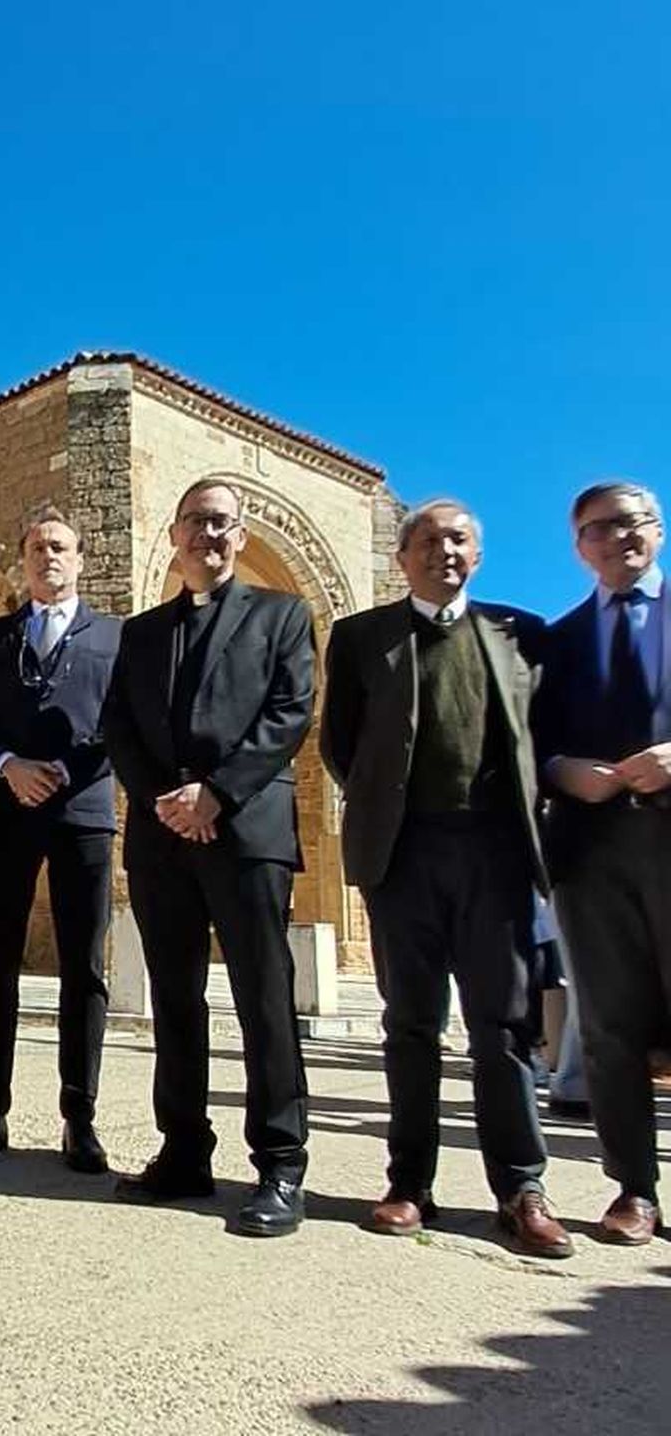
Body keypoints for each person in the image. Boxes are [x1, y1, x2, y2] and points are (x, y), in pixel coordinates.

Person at [321, 500, 572, 1257]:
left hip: (495, 857)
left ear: (479, 552)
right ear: (402, 559)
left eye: (458, 538)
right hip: (405, 859)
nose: (444, 551)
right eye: (427, 541)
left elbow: (544, 741)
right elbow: (341, 746)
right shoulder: (362, 638)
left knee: (503, 1028)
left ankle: (521, 1188)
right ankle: (409, 1184)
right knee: (411, 1026)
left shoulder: (521, 633)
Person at [101, 479, 314, 1236]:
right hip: (164, 837)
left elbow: (290, 712)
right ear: (174, 536)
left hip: (248, 830)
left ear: (241, 533)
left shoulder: (282, 616)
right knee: (176, 999)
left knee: (264, 997)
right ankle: (184, 1150)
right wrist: (167, 798)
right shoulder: (142, 631)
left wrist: (215, 794)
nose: (208, 536)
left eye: (221, 523)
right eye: (195, 522)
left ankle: (281, 1165)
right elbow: (118, 723)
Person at [0, 509, 122, 1171]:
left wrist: (63, 773)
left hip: (82, 812)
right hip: (7, 810)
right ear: (23, 561)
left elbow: (119, 723)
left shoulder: (114, 637)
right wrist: (7, 768)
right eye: (36, 548)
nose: (48, 556)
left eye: (60, 547)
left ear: (79, 559)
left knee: (84, 967)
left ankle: (80, 1117)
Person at [536, 480, 671, 1247]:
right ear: (579, 546)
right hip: (593, 852)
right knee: (613, 1025)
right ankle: (634, 1189)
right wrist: (564, 771)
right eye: (598, 529)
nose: (617, 538)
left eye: (631, 523)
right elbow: (534, 745)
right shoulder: (560, 640)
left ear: (657, 530)